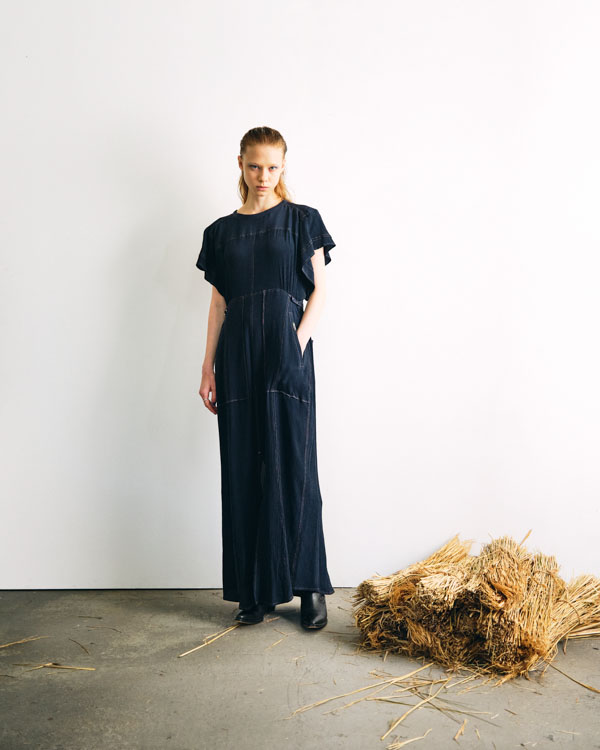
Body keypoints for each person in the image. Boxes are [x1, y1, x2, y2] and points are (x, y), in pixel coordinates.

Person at [196, 126, 336, 630]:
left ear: (283, 167)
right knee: (242, 468)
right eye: (255, 166)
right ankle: (254, 591)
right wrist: (208, 366)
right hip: (236, 358)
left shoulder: (302, 220)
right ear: (240, 163)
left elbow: (320, 291)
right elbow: (218, 304)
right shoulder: (220, 233)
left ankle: (309, 587)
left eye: (273, 167)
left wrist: (296, 344)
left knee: (295, 466)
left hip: (285, 350)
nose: (263, 176)